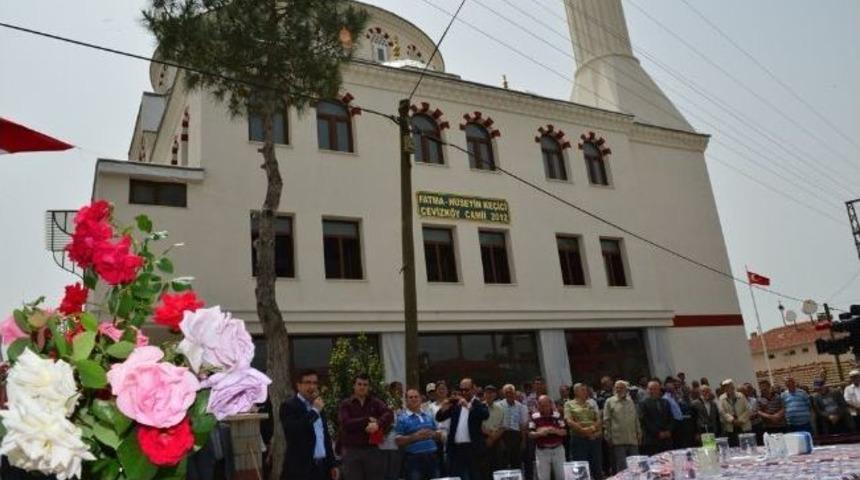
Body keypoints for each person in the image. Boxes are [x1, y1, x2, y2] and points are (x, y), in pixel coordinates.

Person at [281, 369, 337, 480]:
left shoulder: (318, 405)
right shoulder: (289, 406)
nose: (312, 387)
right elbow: (294, 432)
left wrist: (332, 464)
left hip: (322, 467)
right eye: (307, 382)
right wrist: (314, 412)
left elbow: (325, 437)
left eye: (315, 383)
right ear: (298, 385)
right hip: (301, 469)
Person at [338, 373, 394, 480]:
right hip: (352, 451)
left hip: (372, 450)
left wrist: (377, 424)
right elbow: (346, 423)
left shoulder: (375, 402)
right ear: (354, 386)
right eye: (359, 384)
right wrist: (367, 420)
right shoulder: (346, 404)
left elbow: (389, 413)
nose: (362, 387)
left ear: (368, 387)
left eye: (365, 384)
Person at [436, 377, 489, 480]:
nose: (464, 392)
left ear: (473, 389)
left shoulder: (479, 403)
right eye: (461, 390)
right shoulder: (456, 403)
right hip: (456, 449)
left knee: (475, 476)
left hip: (472, 449)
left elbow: (485, 415)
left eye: (466, 390)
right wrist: (443, 407)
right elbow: (439, 418)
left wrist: (468, 406)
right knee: (457, 477)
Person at [395, 388, 442, 480]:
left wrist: (433, 434)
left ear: (420, 399)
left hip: (432, 457)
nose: (414, 399)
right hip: (413, 460)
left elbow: (439, 435)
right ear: (406, 400)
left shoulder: (428, 415)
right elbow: (398, 441)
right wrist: (415, 437)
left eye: (416, 397)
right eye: (411, 397)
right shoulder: (402, 418)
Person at [565, 383, 603, 480]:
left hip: (593, 438)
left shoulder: (591, 404)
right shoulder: (569, 404)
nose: (586, 392)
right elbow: (569, 421)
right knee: (580, 469)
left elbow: (598, 420)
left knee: (597, 467)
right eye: (583, 390)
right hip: (579, 440)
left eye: (586, 390)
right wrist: (582, 431)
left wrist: (592, 430)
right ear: (576, 392)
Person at [602, 380, 641, 473]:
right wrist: (608, 436)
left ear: (626, 389)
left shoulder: (630, 401)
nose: (619, 389)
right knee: (622, 468)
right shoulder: (609, 401)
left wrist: (639, 433)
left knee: (635, 465)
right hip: (618, 440)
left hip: (632, 438)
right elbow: (606, 420)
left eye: (621, 388)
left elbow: (635, 418)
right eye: (617, 388)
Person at [530, 395, 567, 480]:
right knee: (543, 477)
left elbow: (564, 432)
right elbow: (530, 434)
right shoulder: (534, 417)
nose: (544, 408)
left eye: (546, 405)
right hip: (542, 451)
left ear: (550, 404)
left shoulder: (557, 415)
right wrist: (539, 433)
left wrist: (554, 431)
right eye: (541, 405)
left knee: (562, 476)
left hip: (558, 450)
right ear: (538, 405)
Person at [497, 383, 529, 471]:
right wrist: (500, 441)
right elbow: (497, 425)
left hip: (516, 435)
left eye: (511, 392)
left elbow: (522, 425)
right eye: (507, 392)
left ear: (514, 393)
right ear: (504, 394)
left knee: (516, 463)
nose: (509, 394)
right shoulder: (499, 405)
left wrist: (523, 441)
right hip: (503, 435)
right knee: (503, 463)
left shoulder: (521, 407)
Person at [424, 381, 451, 476]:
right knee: (438, 467)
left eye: (443, 389)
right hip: (435, 437)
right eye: (439, 389)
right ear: (436, 391)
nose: (441, 391)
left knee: (450, 467)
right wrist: (435, 433)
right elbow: (428, 422)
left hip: (450, 437)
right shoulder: (430, 407)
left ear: (447, 391)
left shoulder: (453, 404)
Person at [639, 381, 673, 456]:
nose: (652, 391)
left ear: (659, 390)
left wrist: (668, 430)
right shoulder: (643, 403)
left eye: (655, 389)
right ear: (647, 390)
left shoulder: (665, 402)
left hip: (666, 439)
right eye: (650, 389)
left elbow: (670, 417)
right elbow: (645, 421)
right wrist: (658, 433)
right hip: (652, 440)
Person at [380, 381, 405, 480]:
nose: (401, 392)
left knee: (395, 474)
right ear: (391, 391)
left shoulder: (402, 406)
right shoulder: (385, 405)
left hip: (398, 445)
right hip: (385, 444)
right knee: (386, 474)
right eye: (398, 390)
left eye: (401, 390)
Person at [717, 379, 751, 447]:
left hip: (743, 425)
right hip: (731, 427)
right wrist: (732, 420)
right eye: (726, 387)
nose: (729, 388)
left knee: (746, 445)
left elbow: (748, 409)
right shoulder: (721, 398)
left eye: (730, 386)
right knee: (734, 446)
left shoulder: (741, 395)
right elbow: (722, 412)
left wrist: (740, 420)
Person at [482, 385, 504, 477]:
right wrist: (490, 436)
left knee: (497, 467)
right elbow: (477, 425)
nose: (489, 395)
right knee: (484, 468)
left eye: (491, 393)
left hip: (496, 439)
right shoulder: (479, 407)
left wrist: (493, 438)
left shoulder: (500, 408)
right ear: (484, 394)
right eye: (487, 393)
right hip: (484, 439)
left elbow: (503, 426)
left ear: (495, 395)